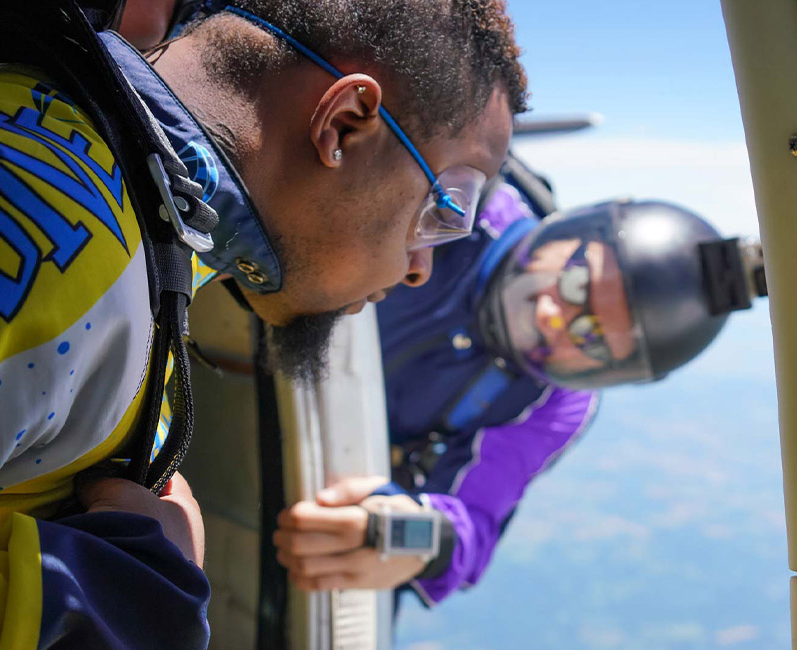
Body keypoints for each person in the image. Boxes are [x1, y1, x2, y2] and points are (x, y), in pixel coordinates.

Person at [0, 0, 526, 650]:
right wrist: (126, 602)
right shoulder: (37, 229)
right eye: (446, 203)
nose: (420, 267)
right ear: (347, 123)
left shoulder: (116, 189)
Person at [274, 164, 765, 606]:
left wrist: (416, 539)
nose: (554, 316)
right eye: (576, 283)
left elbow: (474, 524)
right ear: (568, 233)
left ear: (611, 370)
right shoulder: (460, 200)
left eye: (590, 338)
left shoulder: (555, 403)